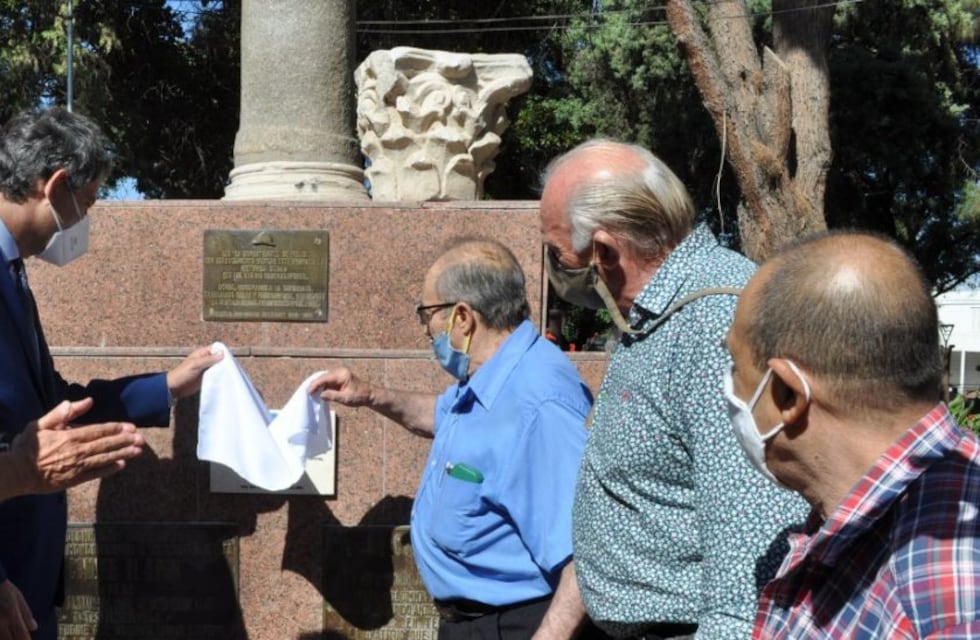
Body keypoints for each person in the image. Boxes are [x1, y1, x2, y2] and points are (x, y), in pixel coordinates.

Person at [537, 139, 808, 639]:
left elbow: (750, 565)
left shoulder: (714, 321)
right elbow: (630, 499)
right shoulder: (649, 317)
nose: (555, 268)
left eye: (557, 253)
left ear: (604, 251)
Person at [0, 107, 221, 640]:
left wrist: (167, 386)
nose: (84, 220)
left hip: (29, 589)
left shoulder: (13, 278)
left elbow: (56, 405)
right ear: (56, 186)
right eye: (89, 201)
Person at [309, 239, 593, 639]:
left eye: (427, 315)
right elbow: (442, 417)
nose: (426, 330)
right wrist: (370, 394)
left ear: (462, 317)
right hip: (474, 623)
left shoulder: (540, 402)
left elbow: (584, 556)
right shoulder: (492, 377)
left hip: (518, 625)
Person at [725, 231, 980, 638]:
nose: (728, 387)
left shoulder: (941, 603)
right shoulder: (867, 512)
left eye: (735, 366)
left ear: (787, 394)